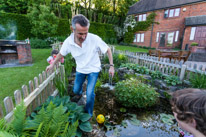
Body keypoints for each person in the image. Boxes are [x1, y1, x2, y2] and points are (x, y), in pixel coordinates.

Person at [46, 14, 114, 117]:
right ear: (72, 29)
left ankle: (89, 114)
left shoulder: (94, 39)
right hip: (81, 69)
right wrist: (52, 65)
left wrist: (111, 66)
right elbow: (61, 54)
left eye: (85, 33)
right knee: (76, 90)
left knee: (90, 94)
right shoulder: (68, 42)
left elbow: (108, 49)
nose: (84, 36)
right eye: (80, 33)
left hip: (93, 69)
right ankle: (81, 92)